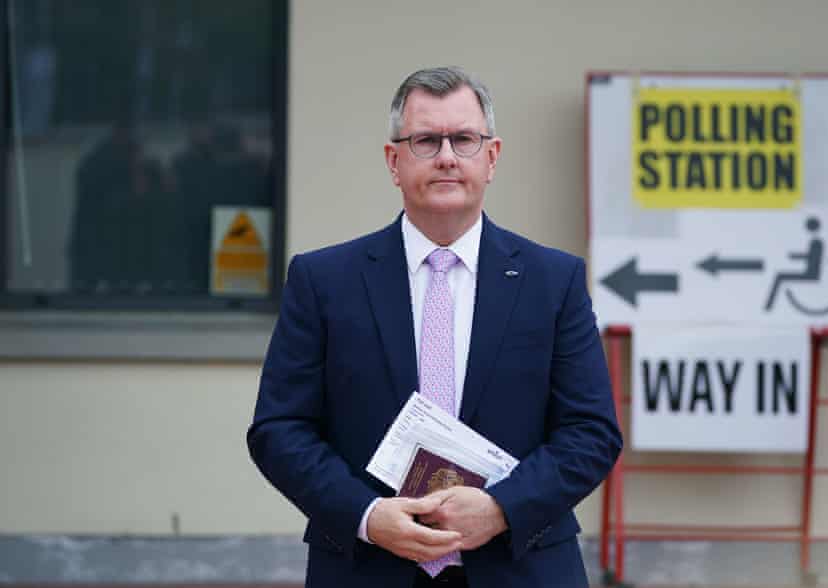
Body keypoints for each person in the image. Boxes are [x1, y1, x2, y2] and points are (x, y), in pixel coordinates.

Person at [247, 66, 622, 588]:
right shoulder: (323, 280)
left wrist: (500, 507)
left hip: (522, 567)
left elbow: (592, 433)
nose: (447, 156)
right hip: (368, 567)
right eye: (425, 140)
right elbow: (279, 430)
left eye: (464, 139)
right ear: (393, 161)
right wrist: (367, 517)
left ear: (491, 158)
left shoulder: (552, 282)